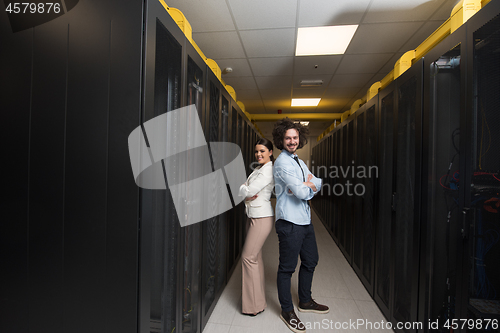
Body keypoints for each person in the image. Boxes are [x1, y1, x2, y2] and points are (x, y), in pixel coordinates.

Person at [272, 118, 328, 333]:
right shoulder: (283, 163)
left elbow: (318, 181)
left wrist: (308, 184)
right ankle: (287, 310)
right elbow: (304, 192)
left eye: (295, 137)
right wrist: (308, 185)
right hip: (290, 223)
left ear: (300, 139)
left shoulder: (298, 161)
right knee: (287, 268)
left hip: (305, 221)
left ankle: (305, 301)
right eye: (288, 138)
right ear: (281, 140)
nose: (292, 141)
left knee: (311, 260)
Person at [238, 138, 275, 316]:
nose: (259, 154)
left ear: (270, 152)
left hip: (261, 218)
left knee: (248, 257)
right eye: (256, 151)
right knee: (256, 258)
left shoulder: (269, 170)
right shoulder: (258, 169)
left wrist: (246, 191)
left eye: (262, 151)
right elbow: (243, 189)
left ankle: (252, 307)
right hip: (252, 216)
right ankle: (258, 302)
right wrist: (245, 191)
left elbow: (249, 190)